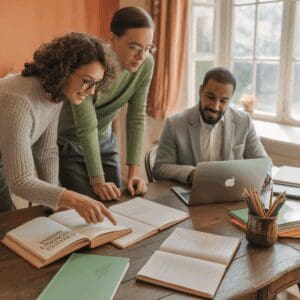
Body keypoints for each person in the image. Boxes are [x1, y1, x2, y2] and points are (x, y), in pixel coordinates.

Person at [0, 32, 116, 224]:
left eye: (96, 83)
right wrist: (73, 199)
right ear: (64, 70)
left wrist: (53, 202)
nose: (92, 91)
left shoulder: (55, 93)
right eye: (88, 81)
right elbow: (21, 181)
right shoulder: (18, 100)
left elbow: (46, 152)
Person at [58, 7, 155, 201]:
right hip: (70, 141)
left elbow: (136, 116)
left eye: (148, 48)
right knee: (90, 206)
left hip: (104, 140)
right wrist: (97, 180)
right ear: (113, 39)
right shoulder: (91, 63)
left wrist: (134, 173)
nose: (141, 56)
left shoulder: (146, 64)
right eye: (134, 47)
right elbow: (86, 126)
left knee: (118, 202)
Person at [153, 67, 272, 184]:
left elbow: (264, 163)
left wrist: (264, 174)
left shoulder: (244, 121)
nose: (215, 106)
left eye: (223, 101)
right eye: (210, 97)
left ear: (230, 99)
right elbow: (160, 168)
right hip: (189, 194)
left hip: (230, 195)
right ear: (200, 91)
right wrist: (191, 173)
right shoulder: (174, 123)